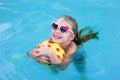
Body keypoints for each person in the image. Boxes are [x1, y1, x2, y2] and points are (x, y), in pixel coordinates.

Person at [29, 15, 99, 70]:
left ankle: (83, 76)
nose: (57, 31)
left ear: (71, 37)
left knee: (80, 68)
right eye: (55, 26)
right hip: (58, 57)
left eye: (63, 29)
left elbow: (62, 67)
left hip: (77, 57)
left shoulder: (72, 48)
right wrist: (37, 57)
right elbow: (31, 52)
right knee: (53, 68)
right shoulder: (51, 40)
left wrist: (50, 52)